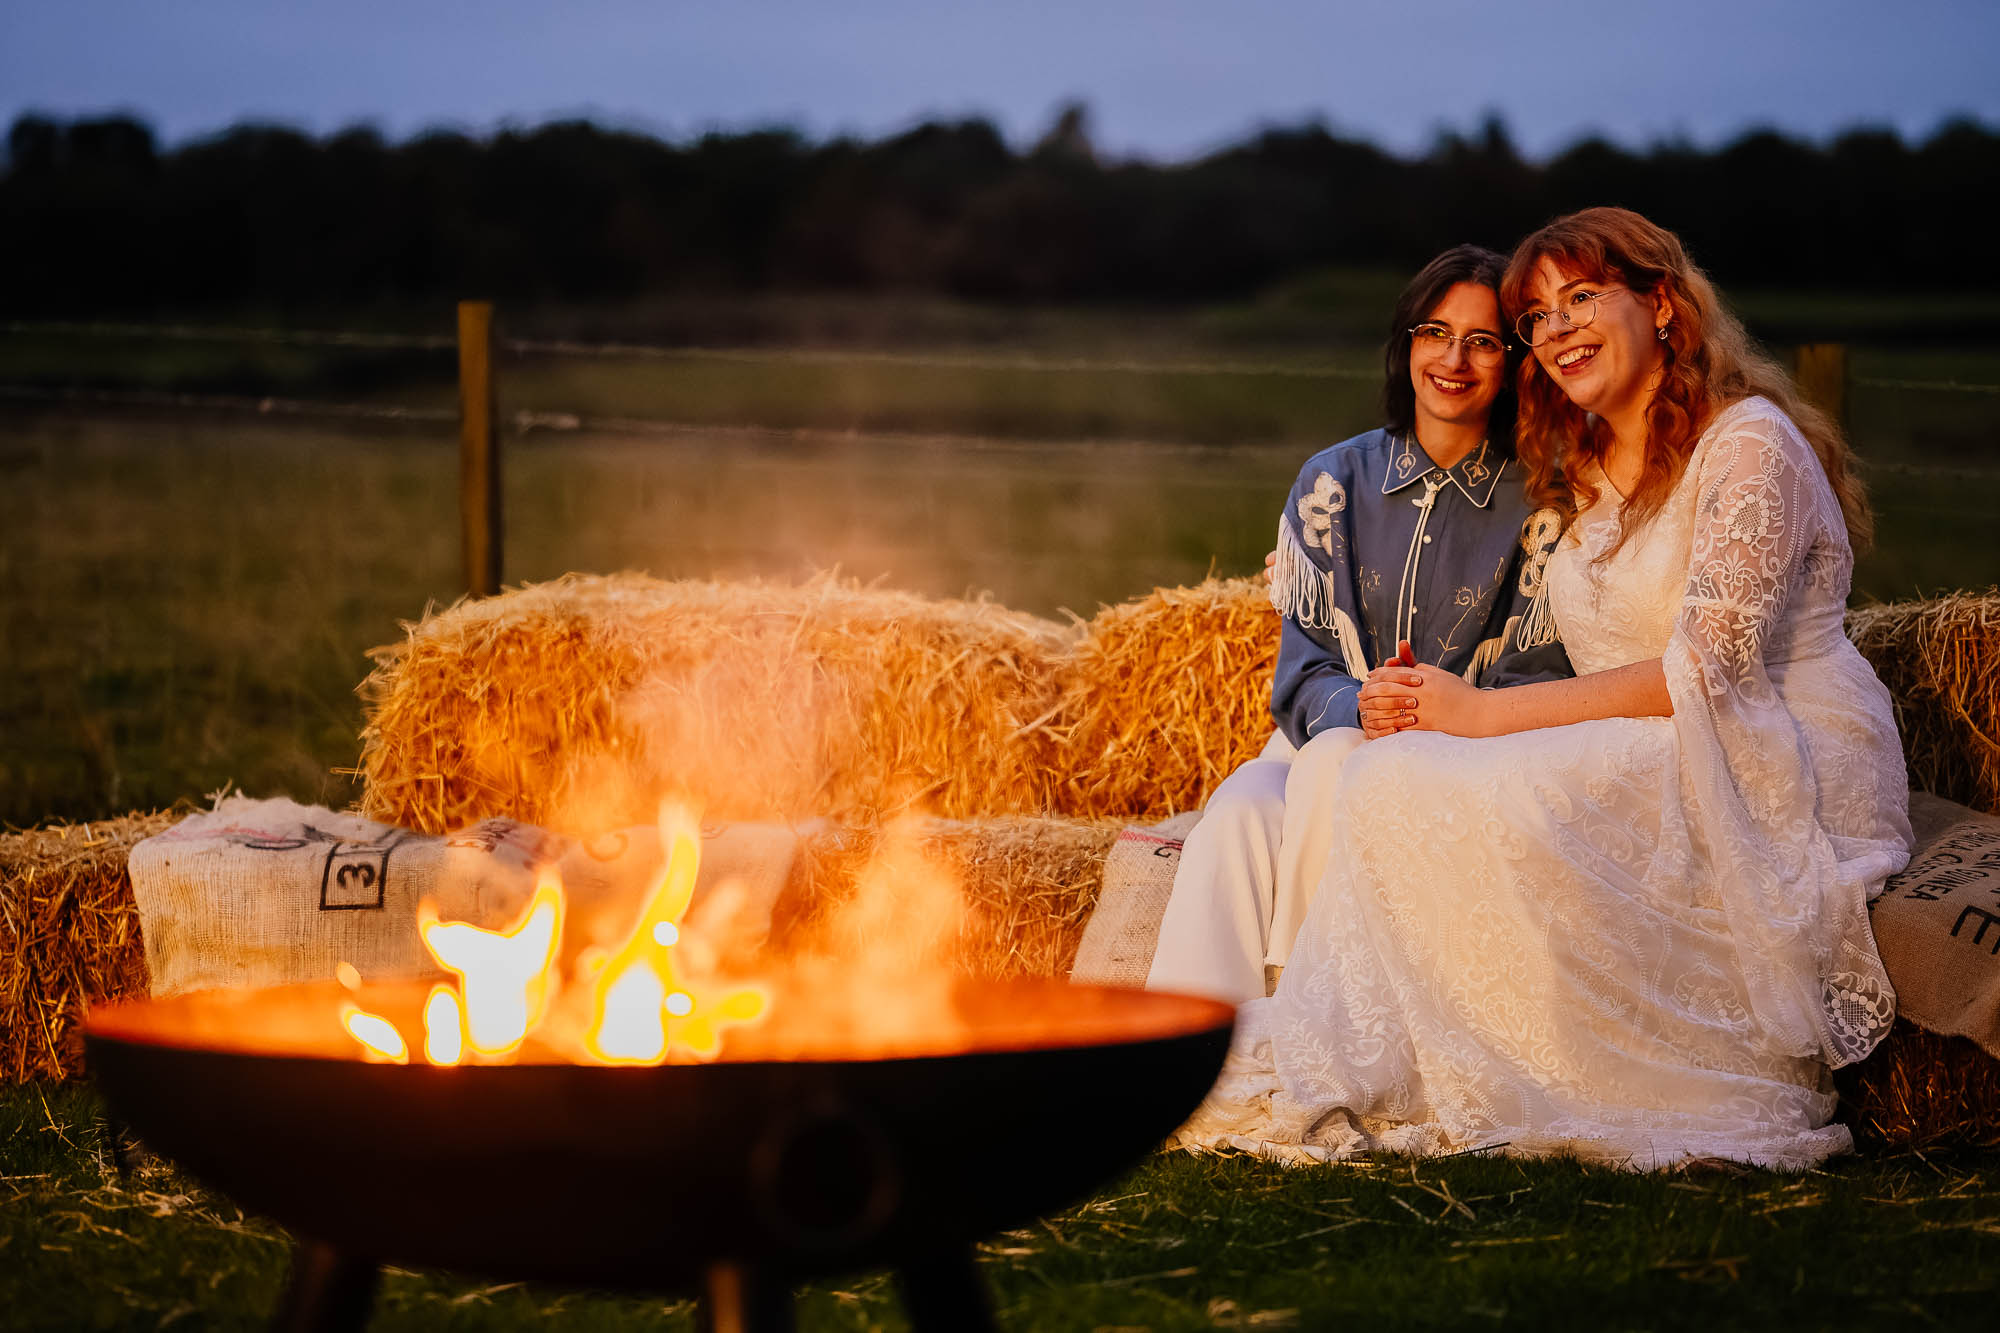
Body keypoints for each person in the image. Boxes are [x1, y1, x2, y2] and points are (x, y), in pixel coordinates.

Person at [1174, 207, 1913, 1169]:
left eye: (1580, 298)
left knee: (1411, 775)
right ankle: (1366, 1034)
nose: (1556, 328)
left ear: (1662, 304)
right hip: (1651, 736)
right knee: (1381, 781)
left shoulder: (1748, 444)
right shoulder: (1584, 473)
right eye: (1540, 316)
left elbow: (1708, 671)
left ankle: (1519, 1059)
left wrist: (1479, 718)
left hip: (1770, 746)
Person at [1145, 245, 1569, 1006]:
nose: (1453, 358)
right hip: (1319, 733)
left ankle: (1307, 1016)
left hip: (1464, 755)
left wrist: (1425, 715)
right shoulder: (1330, 481)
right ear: (1407, 341)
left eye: (1482, 342)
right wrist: (1360, 706)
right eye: (1435, 332)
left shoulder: (1539, 501)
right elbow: (1302, 675)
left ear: (1513, 363)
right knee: (1237, 813)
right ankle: (1194, 1048)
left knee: (1341, 760)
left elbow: (1535, 671)